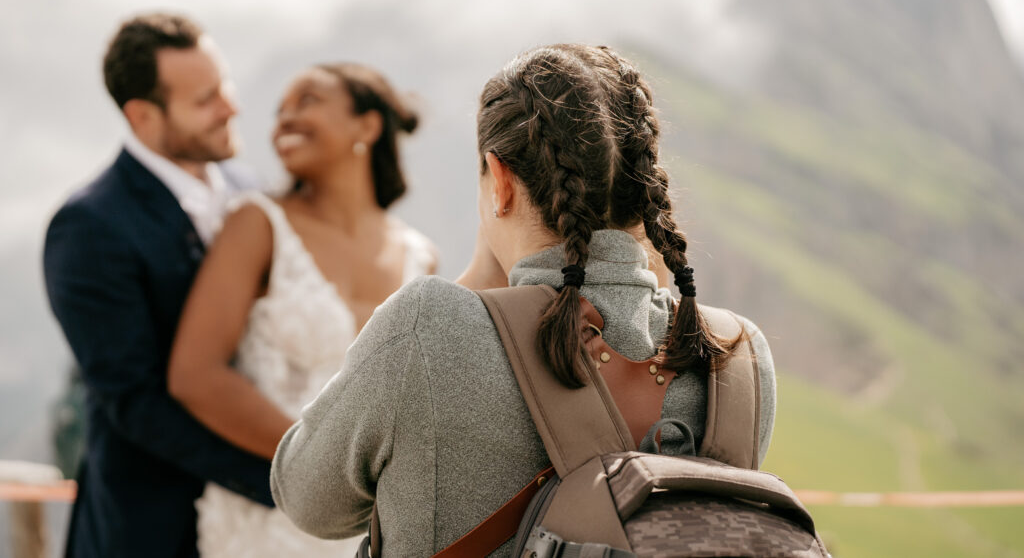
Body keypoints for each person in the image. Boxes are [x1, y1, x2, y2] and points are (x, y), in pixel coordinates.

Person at [269, 44, 777, 556]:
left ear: (501, 181)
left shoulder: (430, 325)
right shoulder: (739, 353)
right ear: (644, 187)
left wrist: (478, 286)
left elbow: (307, 498)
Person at [167, 62, 437, 556]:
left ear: (368, 126)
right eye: (279, 111)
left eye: (307, 101)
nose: (284, 120)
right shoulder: (256, 222)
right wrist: (318, 460)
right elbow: (195, 374)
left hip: (375, 528)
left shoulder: (420, 256)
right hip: (268, 522)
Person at [43, 13, 273, 558]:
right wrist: (284, 480)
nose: (231, 107)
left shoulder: (249, 185)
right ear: (143, 115)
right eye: (205, 99)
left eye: (225, 86)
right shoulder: (89, 226)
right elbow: (135, 401)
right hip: (152, 527)